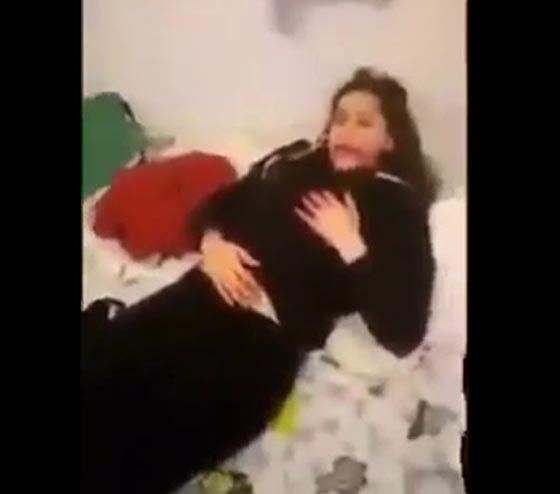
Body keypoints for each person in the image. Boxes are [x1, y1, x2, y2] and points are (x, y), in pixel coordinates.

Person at [81, 67, 436, 494]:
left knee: (134, 453)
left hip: (261, 341)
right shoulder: (292, 162)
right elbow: (216, 206)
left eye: (364, 122)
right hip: (200, 293)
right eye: (340, 118)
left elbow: (403, 330)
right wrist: (212, 243)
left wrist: (349, 244)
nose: (345, 130)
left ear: (391, 139)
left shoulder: (397, 205)